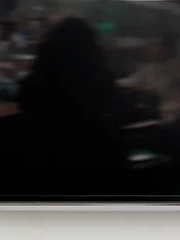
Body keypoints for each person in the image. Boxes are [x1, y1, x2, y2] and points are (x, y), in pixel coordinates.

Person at [16, 17, 127, 169]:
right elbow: (116, 109)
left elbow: (24, 102)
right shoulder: (100, 77)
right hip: (97, 160)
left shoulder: (40, 77)